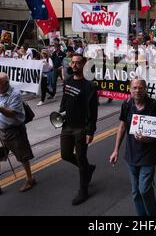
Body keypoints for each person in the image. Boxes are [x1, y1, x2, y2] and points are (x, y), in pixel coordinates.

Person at [109, 78, 156, 216]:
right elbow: (122, 126)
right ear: (130, 89)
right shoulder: (127, 104)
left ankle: (153, 215)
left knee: (144, 189)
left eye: (140, 87)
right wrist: (115, 150)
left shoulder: (154, 105)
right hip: (131, 155)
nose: (137, 90)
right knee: (135, 191)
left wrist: (150, 138)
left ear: (145, 89)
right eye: (135, 87)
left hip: (148, 155)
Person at [0, 73, 36, 196]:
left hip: (15, 130)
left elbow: (12, 113)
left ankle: (30, 179)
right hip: (1, 130)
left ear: (6, 84)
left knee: (23, 156)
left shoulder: (15, 94)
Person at [59, 53, 98, 205]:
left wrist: (90, 131)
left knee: (81, 158)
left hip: (81, 128)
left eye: (77, 63)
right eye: (72, 63)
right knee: (65, 154)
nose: (74, 65)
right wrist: (60, 116)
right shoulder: (67, 81)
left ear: (83, 65)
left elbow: (93, 111)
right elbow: (64, 101)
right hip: (67, 126)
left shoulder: (89, 86)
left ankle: (83, 190)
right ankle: (88, 169)